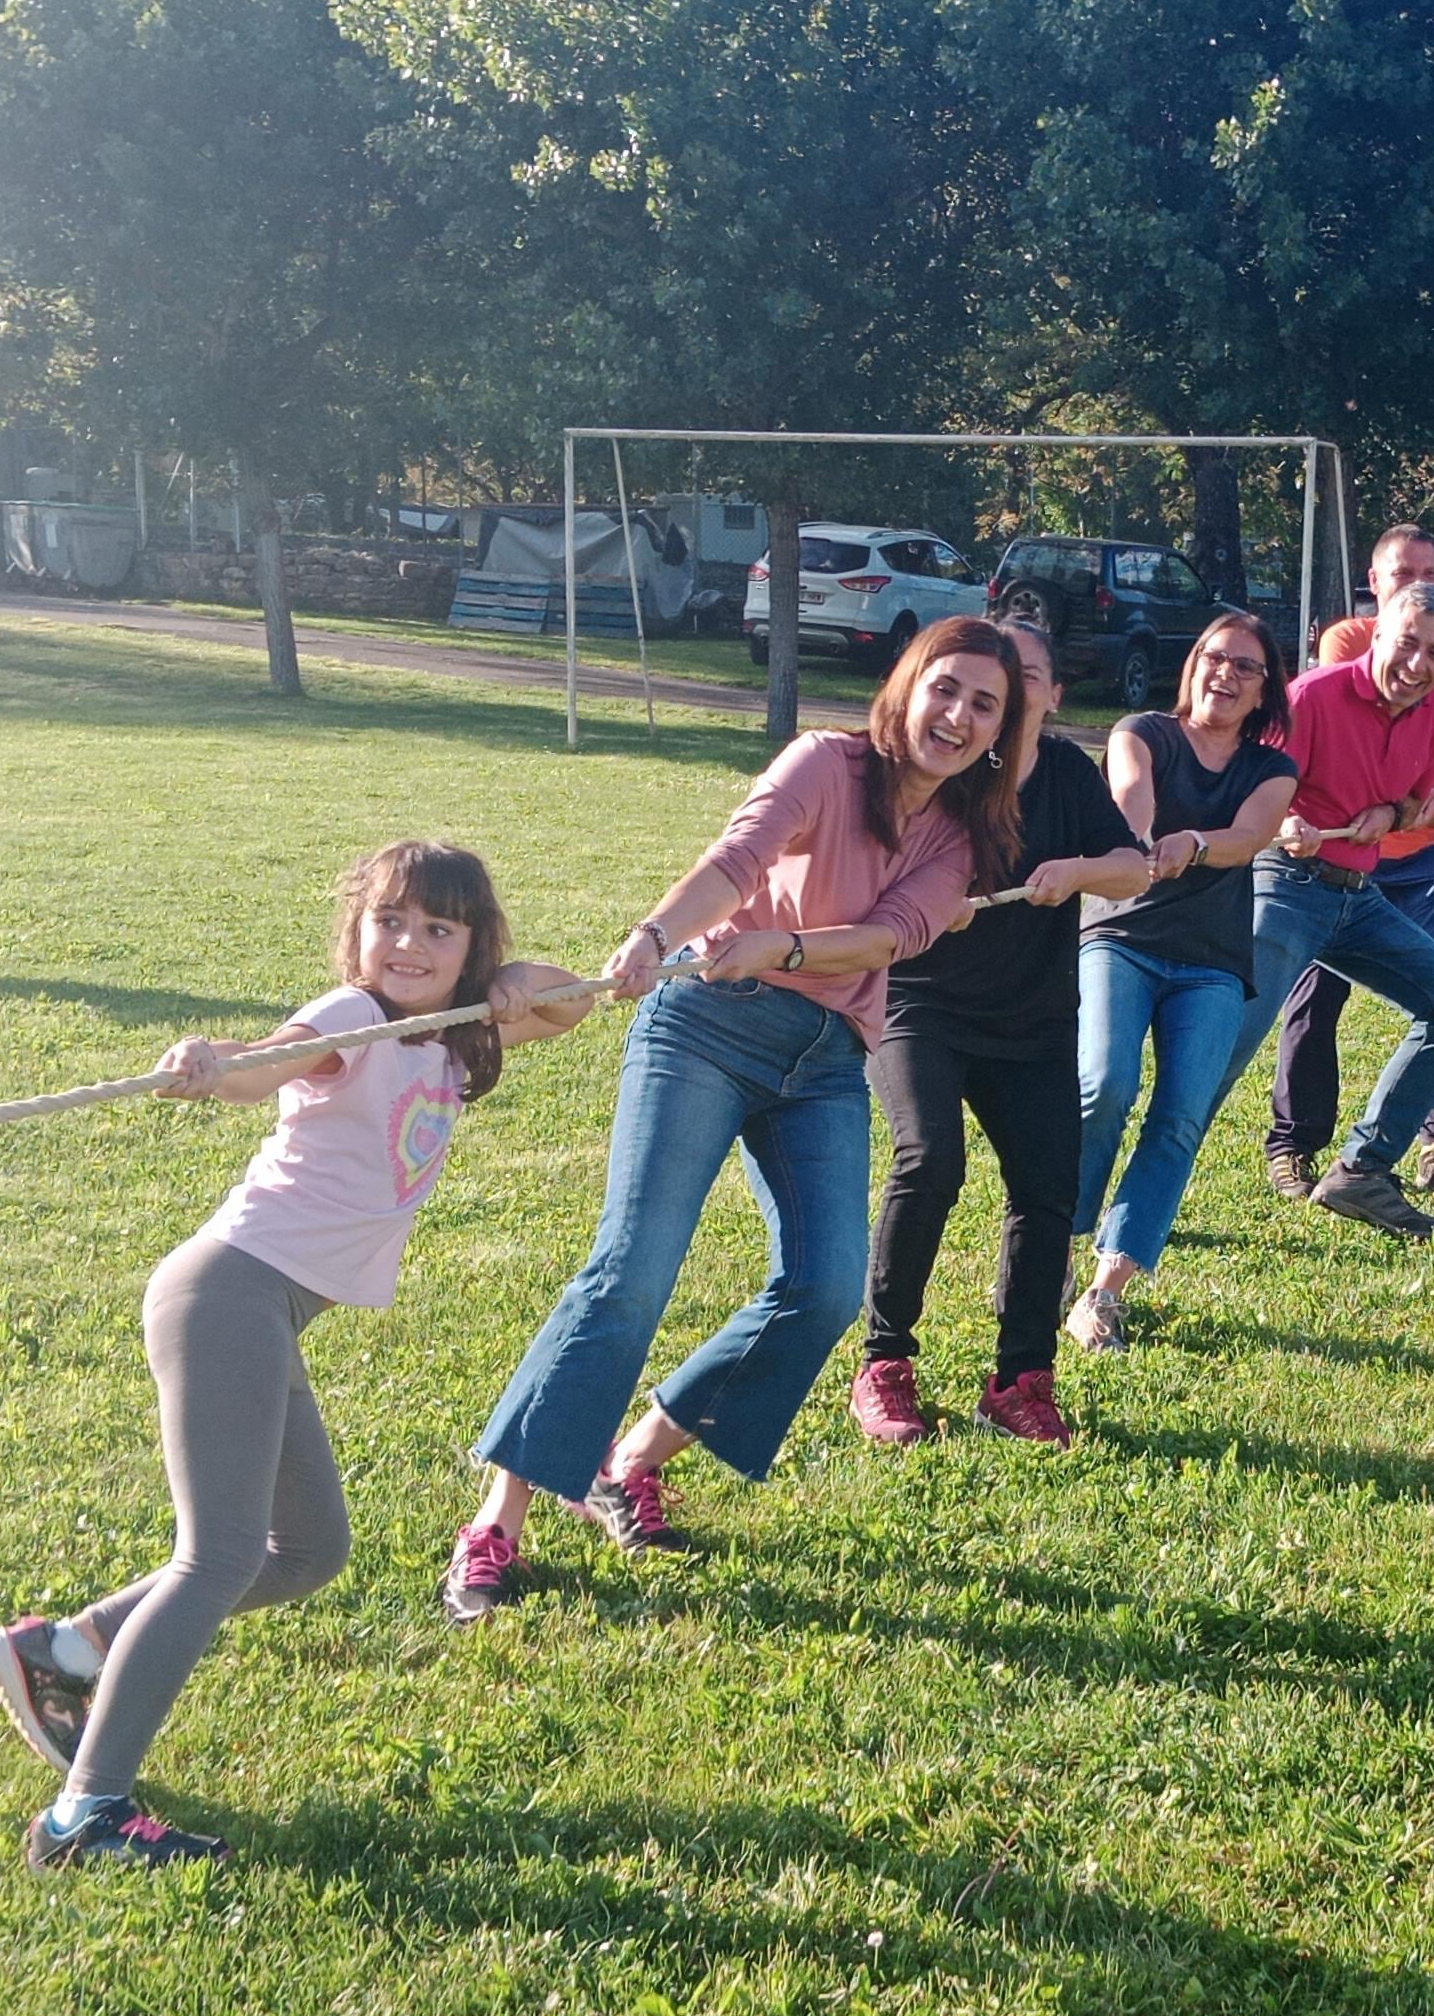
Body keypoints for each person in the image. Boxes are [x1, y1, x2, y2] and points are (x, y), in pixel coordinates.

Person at [0, 843, 593, 1867]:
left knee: (309, 1552)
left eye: (441, 929)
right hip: (226, 1295)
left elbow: (572, 1002)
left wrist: (513, 984)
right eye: (390, 921)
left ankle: (64, 1648)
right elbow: (274, 1059)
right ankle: (84, 1817)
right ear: (356, 931)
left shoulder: (446, 1034)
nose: (409, 945)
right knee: (214, 1555)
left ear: (475, 949)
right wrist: (218, 1065)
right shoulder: (352, 1018)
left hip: (265, 1313)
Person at [451, 619, 1023, 1610]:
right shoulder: (826, 764)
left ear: (1002, 730)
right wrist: (657, 933)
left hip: (826, 1058)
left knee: (825, 1289)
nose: (959, 716)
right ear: (906, 686)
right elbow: (738, 859)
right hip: (708, 1024)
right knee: (631, 1272)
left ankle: (629, 1459)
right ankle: (495, 1527)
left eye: (985, 705)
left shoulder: (961, 837)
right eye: (947, 689)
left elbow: (894, 932)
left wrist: (786, 952)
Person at [850, 620, 1150, 1449]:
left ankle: (1020, 1381)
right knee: (928, 1157)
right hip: (921, 1005)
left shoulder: (1063, 771)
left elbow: (1133, 867)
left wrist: (1079, 872)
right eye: (987, 684)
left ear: (1047, 695)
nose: (1001, 699)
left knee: (1047, 1188)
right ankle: (884, 1365)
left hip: (1033, 1016)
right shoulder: (943, 773)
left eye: (1023, 680)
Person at [1209, 581, 1434, 1241]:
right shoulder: (1313, 696)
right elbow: (1259, 798)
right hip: (1286, 879)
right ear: (1379, 633)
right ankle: (1131, 1198)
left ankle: (1362, 1170)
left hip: (1357, 896)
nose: (1419, 665)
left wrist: (1389, 813)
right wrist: (1292, 818)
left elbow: (1413, 800)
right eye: (1409, 644)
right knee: (1225, 1042)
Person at [1069, 615, 1301, 1355]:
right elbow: (1131, 790)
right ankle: (1052, 1243)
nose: (1225, 674)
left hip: (1211, 961)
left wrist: (1194, 843)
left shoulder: (1271, 769)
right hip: (1121, 938)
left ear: (1266, 689)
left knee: (1179, 1119)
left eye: (1246, 667)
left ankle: (1105, 1291)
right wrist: (1137, 840)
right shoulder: (1142, 730)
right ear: (1192, 662)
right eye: (1214, 657)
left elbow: (1247, 838)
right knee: (1103, 1085)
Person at [1265, 521, 1434, 1199]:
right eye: (1405, 575)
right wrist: (1297, 823)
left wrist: (1416, 807)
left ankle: (1412, 1152)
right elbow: (1289, 775)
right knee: (1285, 1008)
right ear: (1377, 591)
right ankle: (1292, 1145)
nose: (1420, 662)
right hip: (1311, 868)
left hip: (1403, 860)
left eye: (1432, 574)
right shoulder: (1335, 662)